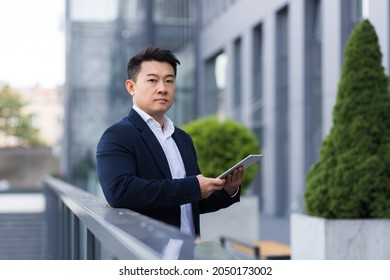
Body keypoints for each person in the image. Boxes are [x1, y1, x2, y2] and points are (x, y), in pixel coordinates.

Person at [96, 46, 244, 238]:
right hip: (147, 256)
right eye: (152, 80)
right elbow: (120, 192)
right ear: (131, 87)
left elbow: (189, 202)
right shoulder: (117, 135)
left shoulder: (182, 138)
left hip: (187, 254)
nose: (162, 88)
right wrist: (192, 187)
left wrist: (227, 190)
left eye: (169, 81)